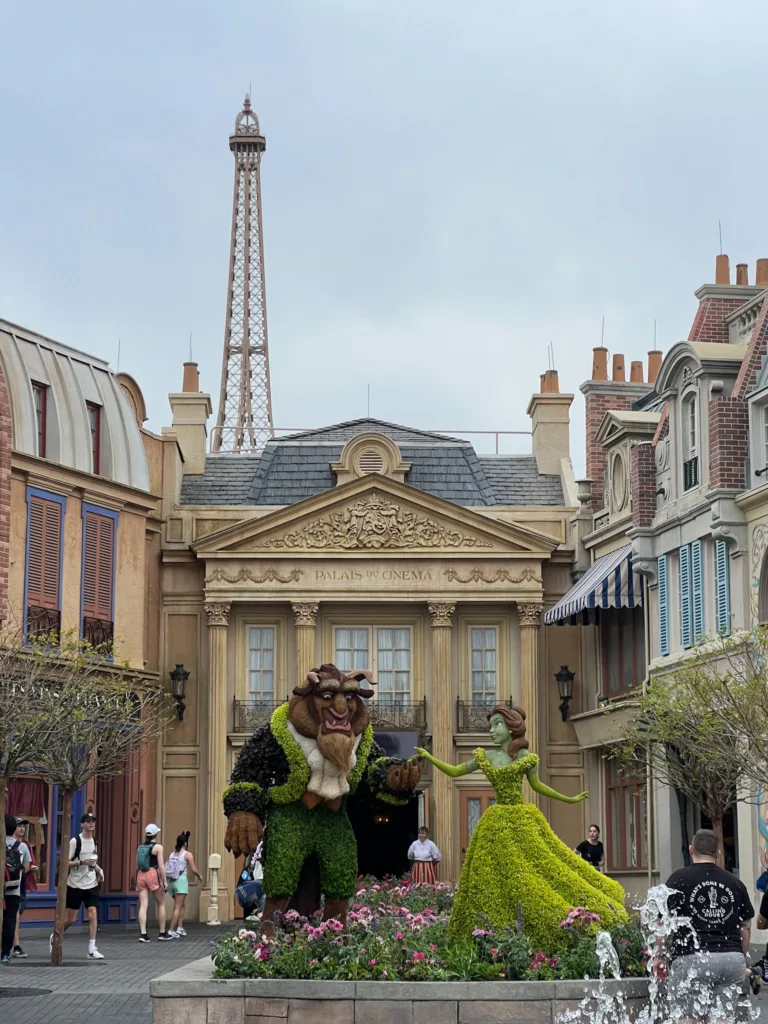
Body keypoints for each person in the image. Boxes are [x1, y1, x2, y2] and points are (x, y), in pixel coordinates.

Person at [415, 705, 627, 948]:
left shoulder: (525, 757)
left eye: (497, 724)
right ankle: (489, 930)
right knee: (491, 875)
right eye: (491, 725)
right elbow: (455, 771)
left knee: (541, 868)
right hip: (496, 822)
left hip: (522, 820)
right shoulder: (488, 756)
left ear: (512, 727)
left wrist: (568, 799)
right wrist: (429, 757)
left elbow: (538, 786)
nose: (492, 730)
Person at [666, 828, 754, 1023]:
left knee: (688, 1018)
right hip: (731, 961)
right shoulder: (735, 882)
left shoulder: (678, 879)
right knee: (721, 1019)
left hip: (692, 959)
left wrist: (658, 957)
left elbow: (661, 922)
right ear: (718, 853)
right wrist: (741, 954)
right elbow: (746, 927)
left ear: (691, 850)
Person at [52, 810, 105, 960]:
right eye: (88, 821)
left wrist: (99, 870)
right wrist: (81, 862)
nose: (91, 823)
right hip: (75, 884)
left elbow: (93, 862)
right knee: (71, 919)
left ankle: (91, 948)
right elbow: (64, 863)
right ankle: (55, 936)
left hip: (91, 882)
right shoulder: (76, 841)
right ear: (82, 824)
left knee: (93, 913)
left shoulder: (94, 840)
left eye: (93, 821)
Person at [2, 813, 32, 965]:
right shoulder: (22, 846)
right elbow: (26, 867)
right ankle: (5, 953)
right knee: (10, 920)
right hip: (14, 889)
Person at [136, 824, 171, 942]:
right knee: (161, 903)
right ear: (156, 834)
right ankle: (162, 932)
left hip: (141, 874)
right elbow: (161, 865)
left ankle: (143, 934)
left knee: (143, 905)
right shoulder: (158, 848)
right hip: (153, 874)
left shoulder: (140, 847)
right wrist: (164, 881)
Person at [165, 830, 203, 938]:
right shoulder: (187, 854)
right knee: (178, 906)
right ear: (185, 843)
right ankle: (171, 930)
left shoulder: (172, 854)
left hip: (171, 882)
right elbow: (193, 869)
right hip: (180, 881)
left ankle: (180, 928)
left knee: (182, 905)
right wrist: (199, 876)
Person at [12, 819, 39, 958]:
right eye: (19, 826)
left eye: (23, 826)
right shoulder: (8, 843)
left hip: (21, 882)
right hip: (12, 883)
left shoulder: (26, 844)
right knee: (14, 914)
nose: (22, 829)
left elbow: (29, 865)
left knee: (17, 915)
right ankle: (15, 945)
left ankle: (15, 944)